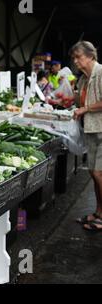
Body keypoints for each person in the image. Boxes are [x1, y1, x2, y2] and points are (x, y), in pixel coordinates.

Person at [71, 41, 102, 231]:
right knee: (93, 172)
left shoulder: (101, 73)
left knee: (99, 173)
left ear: (90, 56)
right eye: (73, 57)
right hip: (91, 129)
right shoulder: (83, 79)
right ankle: (98, 212)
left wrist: (86, 108)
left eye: (78, 57)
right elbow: (79, 100)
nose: (75, 61)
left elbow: (89, 104)